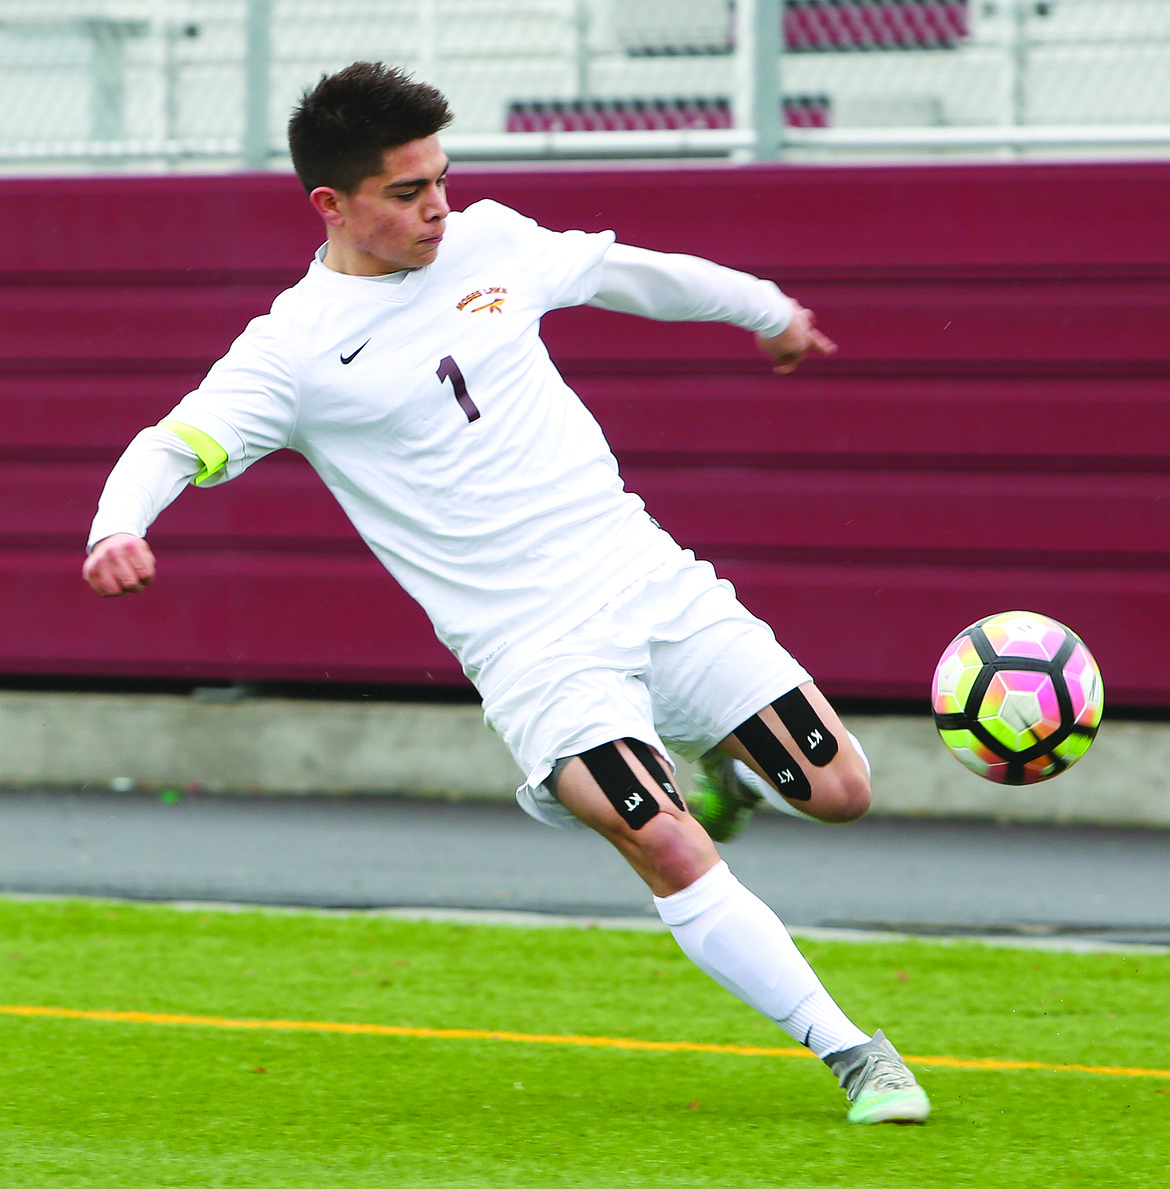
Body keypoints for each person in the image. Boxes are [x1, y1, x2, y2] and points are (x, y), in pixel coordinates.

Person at [82, 62, 929, 1125]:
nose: (437, 204)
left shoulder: (492, 241)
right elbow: (172, 442)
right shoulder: (291, 350)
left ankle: (725, 772)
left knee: (842, 789)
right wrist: (120, 524)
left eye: (442, 177)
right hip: (534, 651)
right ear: (330, 205)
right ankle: (855, 1051)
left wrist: (769, 312)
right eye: (407, 191)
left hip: (648, 579)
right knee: (660, 836)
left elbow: (638, 274)